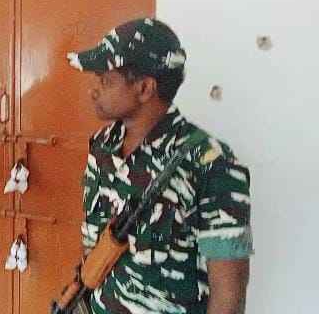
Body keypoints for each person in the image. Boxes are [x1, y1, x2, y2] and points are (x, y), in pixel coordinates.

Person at [66, 18, 252, 314]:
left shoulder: (211, 163)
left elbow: (229, 295)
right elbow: (93, 245)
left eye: (106, 80)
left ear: (144, 88)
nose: (94, 90)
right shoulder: (102, 146)